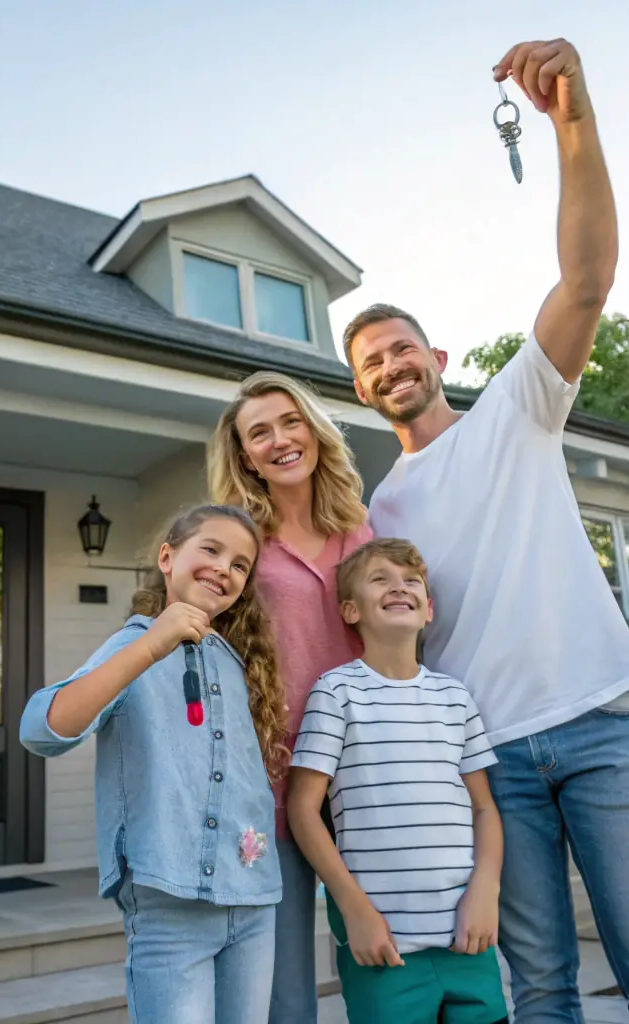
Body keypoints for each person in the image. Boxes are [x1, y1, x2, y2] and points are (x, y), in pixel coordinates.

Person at [340, 39, 629, 1024]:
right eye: (370, 363)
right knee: (541, 990)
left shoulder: (519, 409)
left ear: (437, 355)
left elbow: (585, 280)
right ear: (361, 390)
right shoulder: (378, 516)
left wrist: (572, 120)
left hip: (601, 724)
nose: (389, 366)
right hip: (493, 761)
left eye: (400, 347)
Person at [19, 504, 287, 1024]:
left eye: (240, 565)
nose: (223, 569)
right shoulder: (132, 647)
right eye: (210, 549)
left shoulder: (237, 664)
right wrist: (151, 645)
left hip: (251, 898)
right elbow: (41, 731)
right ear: (168, 557)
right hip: (170, 904)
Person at [209, 371, 373, 1022]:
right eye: (259, 432)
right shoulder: (237, 542)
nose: (279, 440)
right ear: (243, 454)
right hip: (271, 778)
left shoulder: (360, 531)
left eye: (289, 421)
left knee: (378, 953)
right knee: (281, 982)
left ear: (313, 428)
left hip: (363, 774)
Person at [286, 538, 506, 1024]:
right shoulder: (336, 692)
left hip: (468, 938)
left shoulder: (455, 696)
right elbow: (303, 810)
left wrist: (487, 891)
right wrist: (352, 909)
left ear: (428, 609)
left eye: (412, 581)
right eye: (380, 579)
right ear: (349, 609)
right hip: (381, 948)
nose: (399, 587)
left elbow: (484, 808)